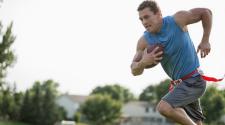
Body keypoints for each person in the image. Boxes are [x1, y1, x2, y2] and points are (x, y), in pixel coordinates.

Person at [130, 0, 212, 125]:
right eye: (141, 19)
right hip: (180, 85)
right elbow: (134, 70)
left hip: (194, 80)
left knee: (164, 107)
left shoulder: (178, 20)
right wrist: (144, 62)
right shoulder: (144, 41)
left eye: (147, 17)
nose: (144, 22)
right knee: (197, 122)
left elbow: (206, 12)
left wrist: (205, 40)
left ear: (158, 14)